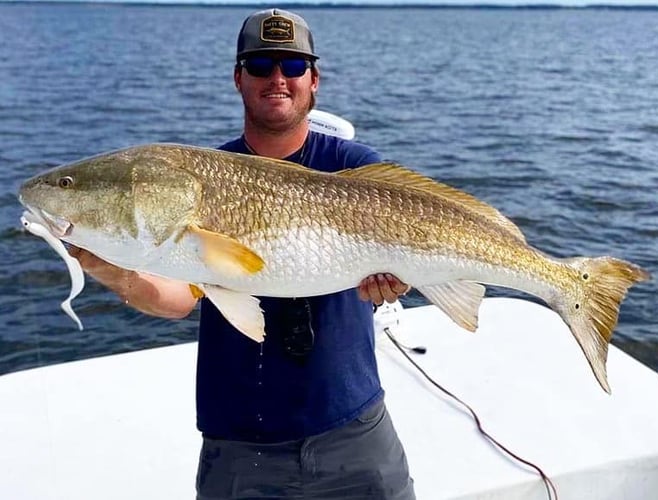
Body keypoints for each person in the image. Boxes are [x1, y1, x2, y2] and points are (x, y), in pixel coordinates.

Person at [69, 8, 416, 500]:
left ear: (314, 80)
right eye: (260, 66)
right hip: (238, 445)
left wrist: (396, 283)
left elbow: (410, 254)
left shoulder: (353, 168)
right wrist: (112, 270)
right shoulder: (203, 181)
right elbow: (180, 298)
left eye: (293, 67)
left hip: (354, 427)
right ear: (238, 78)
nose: (278, 79)